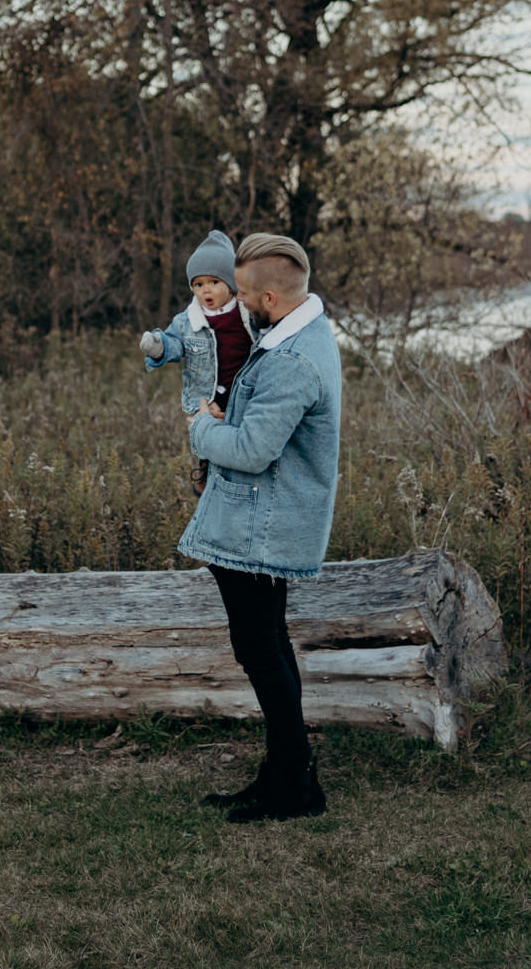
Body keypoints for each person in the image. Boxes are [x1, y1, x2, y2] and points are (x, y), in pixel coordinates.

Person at [179, 232, 342, 823]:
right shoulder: (296, 335)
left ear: (269, 297)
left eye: (244, 292)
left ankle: (294, 786)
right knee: (267, 644)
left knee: (260, 648)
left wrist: (202, 425)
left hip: (261, 524)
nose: (234, 301)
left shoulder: (294, 362)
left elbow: (251, 450)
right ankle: (285, 774)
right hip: (261, 517)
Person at [139, 230, 260, 495]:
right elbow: (175, 343)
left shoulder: (246, 313)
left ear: (230, 283)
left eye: (214, 282)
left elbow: (264, 335)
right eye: (199, 284)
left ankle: (246, 473)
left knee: (245, 431)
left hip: (243, 385)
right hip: (208, 391)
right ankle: (206, 464)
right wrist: (159, 347)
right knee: (207, 426)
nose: (206, 289)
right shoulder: (188, 321)